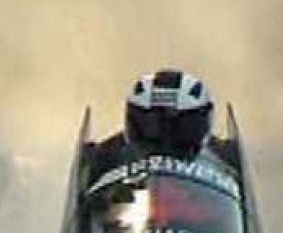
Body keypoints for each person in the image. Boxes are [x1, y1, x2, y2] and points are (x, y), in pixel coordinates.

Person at [86, 69, 216, 180]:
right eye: (154, 124)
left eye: (177, 127)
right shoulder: (105, 156)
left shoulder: (222, 157)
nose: (165, 142)